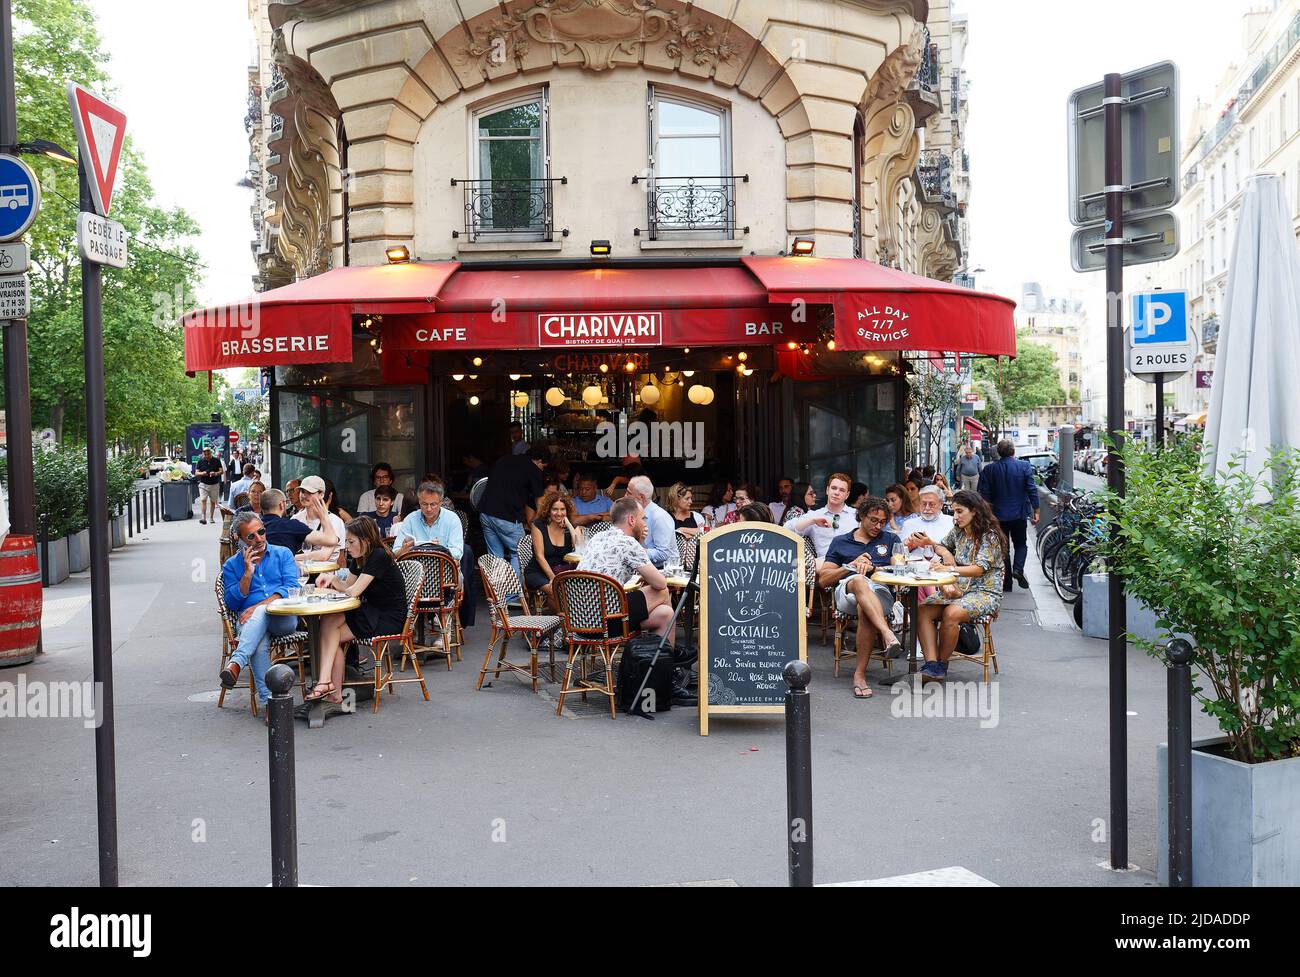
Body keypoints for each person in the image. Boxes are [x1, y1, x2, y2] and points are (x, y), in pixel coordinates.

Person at [307, 519, 410, 704]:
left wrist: (333, 582)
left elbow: (354, 592)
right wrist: (332, 580)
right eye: (346, 541)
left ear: (367, 540)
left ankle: (327, 684)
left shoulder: (378, 555)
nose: (347, 546)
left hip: (388, 617)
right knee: (329, 622)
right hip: (371, 611)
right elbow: (348, 585)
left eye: (351, 542)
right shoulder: (360, 557)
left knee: (330, 633)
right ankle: (330, 687)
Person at [914, 490, 1007, 683]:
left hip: (985, 593)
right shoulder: (958, 531)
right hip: (960, 590)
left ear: (974, 511)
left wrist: (950, 569)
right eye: (954, 511)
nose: (955, 516)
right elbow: (942, 546)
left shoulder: (989, 537)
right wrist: (935, 547)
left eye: (959, 511)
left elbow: (978, 570)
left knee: (951, 613)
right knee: (923, 609)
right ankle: (931, 663)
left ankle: (942, 664)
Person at [816, 498, 904, 699]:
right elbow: (824, 580)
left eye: (882, 522)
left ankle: (860, 676)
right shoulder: (841, 541)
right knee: (858, 581)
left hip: (880, 593)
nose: (878, 526)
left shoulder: (891, 540)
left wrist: (874, 568)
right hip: (847, 593)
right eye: (873, 520)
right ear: (861, 516)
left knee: (866, 604)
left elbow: (900, 570)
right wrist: (850, 566)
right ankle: (888, 635)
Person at [218, 511, 302, 712]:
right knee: (259, 644)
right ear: (240, 539)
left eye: (261, 532)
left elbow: (291, 588)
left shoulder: (283, 554)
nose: (259, 539)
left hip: (283, 619)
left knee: (261, 612)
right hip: (251, 625)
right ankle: (270, 705)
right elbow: (232, 603)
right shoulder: (232, 565)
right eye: (251, 536)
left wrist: (258, 606)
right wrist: (247, 574)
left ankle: (237, 661)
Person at [577, 497, 673, 637]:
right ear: (632, 520)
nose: (644, 523)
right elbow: (660, 583)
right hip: (605, 622)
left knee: (665, 614)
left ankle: (664, 655)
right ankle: (663, 652)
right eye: (643, 518)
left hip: (580, 620)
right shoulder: (628, 543)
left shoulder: (597, 537)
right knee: (662, 591)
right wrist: (640, 541)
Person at [977, 439, 1040, 591]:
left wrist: (986, 515)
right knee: (1020, 543)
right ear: (1013, 451)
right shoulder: (1024, 466)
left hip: (997, 516)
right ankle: (1018, 568)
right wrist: (1036, 510)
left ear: (998, 452)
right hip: (1019, 514)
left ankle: (1006, 583)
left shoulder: (989, 470)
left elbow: (983, 495)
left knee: (1003, 548)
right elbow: (1032, 489)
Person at [477, 446, 548, 580]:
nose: (542, 470)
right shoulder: (533, 470)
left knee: (495, 556)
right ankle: (513, 596)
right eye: (543, 466)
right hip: (507, 517)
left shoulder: (504, 459)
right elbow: (541, 504)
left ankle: (498, 595)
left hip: (486, 512)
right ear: (539, 461)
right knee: (520, 552)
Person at [525, 489, 583, 610]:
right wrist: (553, 578)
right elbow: (539, 556)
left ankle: (568, 622)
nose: (559, 513)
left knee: (579, 590)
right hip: (539, 571)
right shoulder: (538, 525)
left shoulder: (571, 526)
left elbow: (580, 549)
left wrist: (569, 526)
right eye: (555, 509)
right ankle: (564, 622)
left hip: (562, 571)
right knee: (554, 590)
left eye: (562, 509)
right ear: (548, 511)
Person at [789, 472, 854, 563]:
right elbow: (788, 529)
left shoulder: (856, 515)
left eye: (842, 490)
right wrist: (813, 521)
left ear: (847, 495)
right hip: (825, 568)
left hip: (851, 566)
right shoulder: (815, 515)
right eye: (833, 488)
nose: (836, 492)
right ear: (827, 490)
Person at [392, 482, 464, 559]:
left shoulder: (452, 519)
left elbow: (457, 552)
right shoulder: (410, 519)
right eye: (424, 504)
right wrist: (405, 549)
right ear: (419, 502)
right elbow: (395, 552)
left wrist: (438, 550)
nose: (429, 509)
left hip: (443, 567)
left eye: (433, 504)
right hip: (416, 567)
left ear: (440, 503)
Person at [259, 488, 337, 553]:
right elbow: (331, 540)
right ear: (281, 505)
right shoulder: (290, 526)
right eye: (286, 502)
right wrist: (323, 516)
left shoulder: (254, 528)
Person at [293, 475, 348, 563]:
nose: (304, 495)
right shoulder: (295, 519)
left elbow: (323, 555)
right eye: (302, 491)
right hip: (300, 573)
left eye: (310, 492)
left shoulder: (334, 521)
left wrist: (291, 557)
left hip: (324, 574)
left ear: (321, 494)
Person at [625, 475, 676, 569]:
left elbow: (663, 554)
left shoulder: (660, 517)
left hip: (663, 571)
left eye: (628, 493)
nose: (625, 496)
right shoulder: (633, 514)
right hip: (641, 567)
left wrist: (635, 551)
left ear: (641, 497)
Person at [899, 485, 955, 562]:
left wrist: (930, 545)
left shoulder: (952, 522)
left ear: (941, 504)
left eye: (931, 504)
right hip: (914, 569)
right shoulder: (908, 524)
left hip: (942, 569)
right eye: (924, 504)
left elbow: (957, 552)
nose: (927, 508)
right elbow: (899, 554)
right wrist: (908, 547)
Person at [195, 446, 224, 525]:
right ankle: (203, 517)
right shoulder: (200, 461)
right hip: (203, 484)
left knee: (212, 502)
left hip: (214, 484)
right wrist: (202, 473)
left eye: (208, 454)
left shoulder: (216, 460)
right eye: (205, 454)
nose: (207, 456)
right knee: (203, 500)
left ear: (211, 453)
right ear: (203, 454)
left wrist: (215, 473)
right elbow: (196, 473)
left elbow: (221, 471)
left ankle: (211, 517)